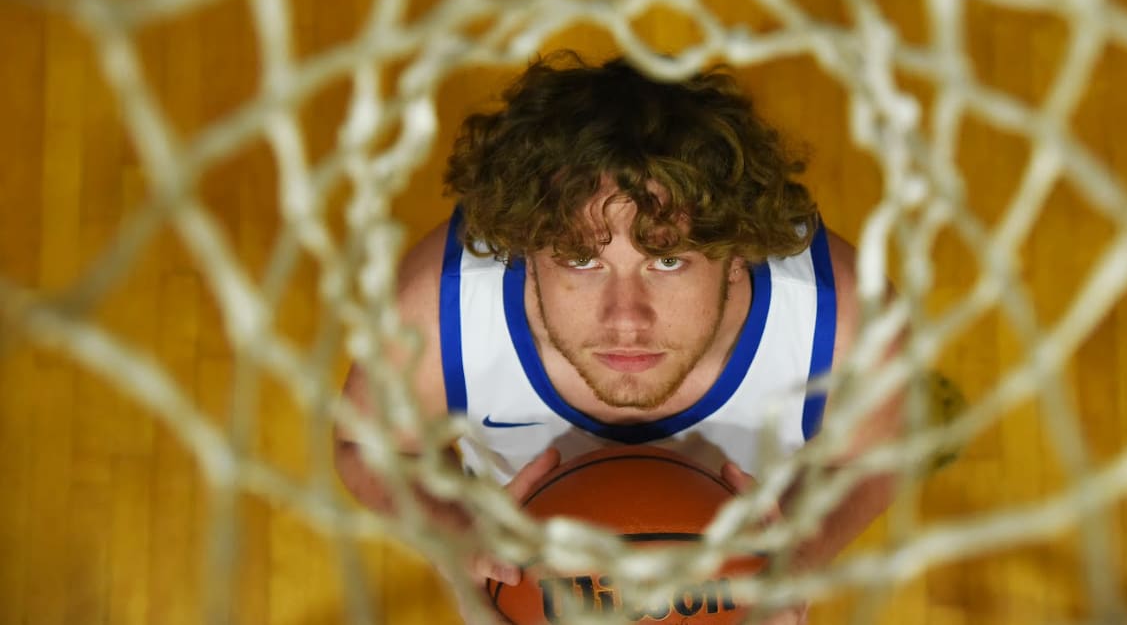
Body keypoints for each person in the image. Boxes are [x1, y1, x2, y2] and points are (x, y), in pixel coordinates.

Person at [333, 52, 905, 623]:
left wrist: (799, 554)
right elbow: (368, 445)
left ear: (738, 255)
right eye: (582, 261)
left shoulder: (842, 318)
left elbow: (877, 456)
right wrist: (457, 533)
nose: (626, 319)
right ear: (523, 250)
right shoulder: (439, 309)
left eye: (667, 261)